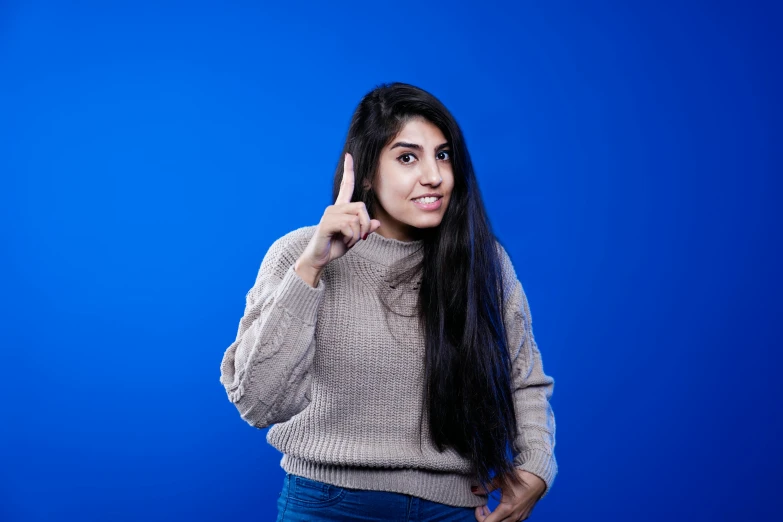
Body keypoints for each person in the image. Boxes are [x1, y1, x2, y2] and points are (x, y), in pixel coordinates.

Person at [219, 82, 557, 522]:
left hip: (452, 510)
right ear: (364, 175)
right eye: (407, 157)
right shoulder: (297, 254)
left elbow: (523, 379)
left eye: (443, 155)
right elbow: (259, 403)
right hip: (327, 507)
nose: (434, 176)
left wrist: (535, 465)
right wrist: (311, 269)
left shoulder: (482, 260)